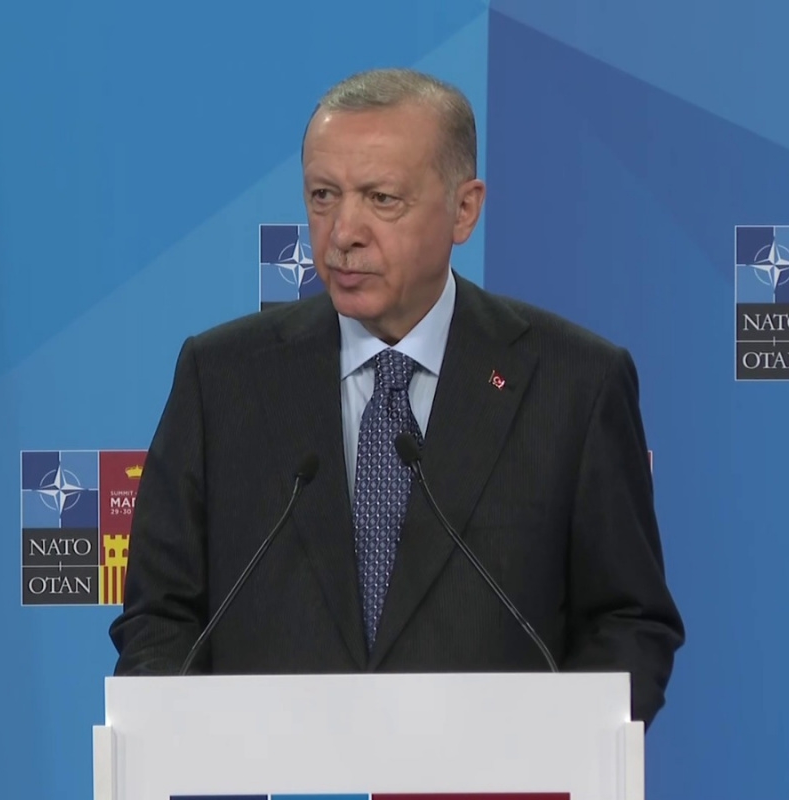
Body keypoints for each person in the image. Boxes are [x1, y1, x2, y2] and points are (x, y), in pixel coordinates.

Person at [109, 68, 685, 727]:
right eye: (323, 195)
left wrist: (557, 748)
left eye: (381, 199)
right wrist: (189, 745)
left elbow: (627, 622)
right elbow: (161, 619)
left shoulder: (573, 383)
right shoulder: (222, 378)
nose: (342, 232)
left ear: (464, 210)